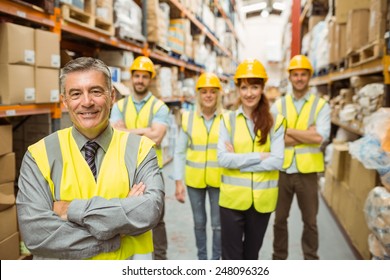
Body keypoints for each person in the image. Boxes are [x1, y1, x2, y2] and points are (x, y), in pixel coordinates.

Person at [16, 57, 164, 260]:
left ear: (111, 96)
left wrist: (70, 209)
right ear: (64, 101)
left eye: (95, 91)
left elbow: (149, 211)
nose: (87, 102)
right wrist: (117, 228)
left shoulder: (140, 149)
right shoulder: (39, 155)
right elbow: (36, 234)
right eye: (76, 94)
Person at [217, 59, 286, 260]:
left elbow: (277, 161)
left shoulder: (276, 122)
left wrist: (238, 160)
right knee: (231, 259)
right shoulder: (227, 120)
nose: (249, 93)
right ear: (238, 89)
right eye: (244, 87)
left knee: (251, 256)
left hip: (262, 202)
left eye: (254, 87)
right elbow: (222, 159)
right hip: (232, 201)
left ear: (262, 88)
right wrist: (258, 156)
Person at [271, 54, 331, 260]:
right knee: (279, 220)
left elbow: (320, 137)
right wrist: (306, 134)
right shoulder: (278, 105)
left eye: (303, 74)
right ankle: (279, 260)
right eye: (295, 74)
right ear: (290, 77)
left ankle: (310, 260)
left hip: (308, 172)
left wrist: (288, 130)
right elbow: (272, 138)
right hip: (283, 171)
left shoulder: (321, 105)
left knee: (310, 221)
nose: (299, 78)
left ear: (309, 76)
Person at [109, 55, 169, 260]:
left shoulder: (160, 107)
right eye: (137, 76)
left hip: (152, 170)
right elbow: (115, 136)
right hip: (124, 170)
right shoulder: (118, 106)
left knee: (157, 219)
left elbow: (158, 137)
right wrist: (146, 130)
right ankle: (128, 260)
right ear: (131, 78)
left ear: (150, 79)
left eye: (145, 76)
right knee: (125, 216)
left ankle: (160, 261)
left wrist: (128, 132)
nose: (140, 80)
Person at [173, 72, 223, 260]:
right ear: (198, 95)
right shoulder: (188, 118)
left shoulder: (227, 119)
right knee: (199, 223)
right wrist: (178, 181)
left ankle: (215, 261)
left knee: (218, 226)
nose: (208, 95)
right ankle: (203, 262)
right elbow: (179, 152)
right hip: (194, 182)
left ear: (218, 94)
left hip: (220, 181)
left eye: (212, 91)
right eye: (204, 91)